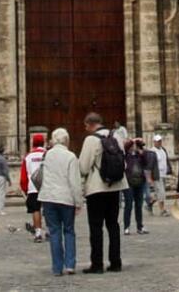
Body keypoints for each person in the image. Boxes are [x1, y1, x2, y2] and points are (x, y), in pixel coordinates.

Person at [77, 112, 127, 273]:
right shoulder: (117, 136)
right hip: (115, 186)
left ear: (90, 124)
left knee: (96, 227)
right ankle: (116, 262)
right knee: (113, 225)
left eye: (85, 125)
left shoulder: (91, 140)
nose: (85, 129)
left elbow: (83, 167)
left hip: (97, 189)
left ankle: (97, 264)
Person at [37, 128, 83, 277]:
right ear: (67, 141)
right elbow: (75, 182)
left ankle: (57, 268)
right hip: (66, 198)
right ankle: (70, 264)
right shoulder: (71, 157)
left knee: (55, 232)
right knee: (69, 231)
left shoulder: (47, 155)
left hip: (49, 197)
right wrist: (79, 202)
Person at [18, 134, 46, 242]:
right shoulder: (47, 154)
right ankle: (49, 231)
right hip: (46, 186)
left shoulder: (28, 157)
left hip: (33, 187)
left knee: (36, 210)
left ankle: (38, 233)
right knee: (47, 210)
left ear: (33, 143)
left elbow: (24, 175)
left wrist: (25, 188)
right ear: (43, 143)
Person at [121, 138, 148, 235]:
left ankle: (139, 226)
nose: (134, 147)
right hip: (128, 183)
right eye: (133, 146)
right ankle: (126, 226)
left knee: (139, 206)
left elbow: (146, 163)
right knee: (128, 205)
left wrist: (141, 151)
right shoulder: (126, 156)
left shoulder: (139, 156)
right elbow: (125, 147)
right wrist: (132, 140)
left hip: (140, 182)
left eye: (135, 146)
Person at [150, 135, 170, 216]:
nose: (159, 143)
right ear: (154, 142)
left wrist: (169, 170)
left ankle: (149, 203)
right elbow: (150, 164)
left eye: (160, 141)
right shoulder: (152, 151)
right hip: (157, 175)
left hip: (164, 174)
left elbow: (166, 161)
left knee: (158, 193)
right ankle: (162, 210)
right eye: (158, 141)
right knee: (161, 193)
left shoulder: (163, 150)